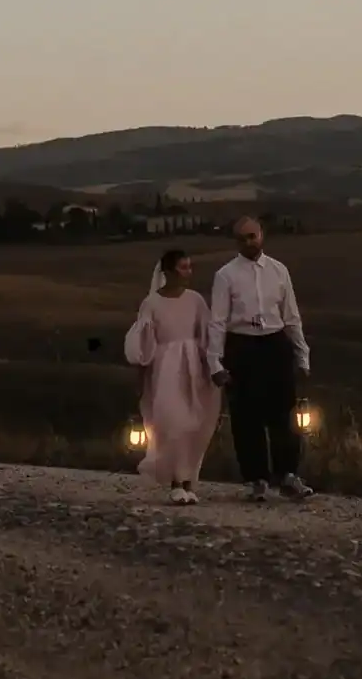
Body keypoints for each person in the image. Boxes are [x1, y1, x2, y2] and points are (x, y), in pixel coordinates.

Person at [207, 216, 313, 502]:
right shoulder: (225, 275)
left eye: (252, 236)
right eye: (242, 238)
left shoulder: (279, 271)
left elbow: (291, 316)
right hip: (242, 347)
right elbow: (217, 321)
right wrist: (214, 362)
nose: (248, 242)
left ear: (262, 235)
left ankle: (288, 475)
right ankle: (257, 479)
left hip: (275, 344)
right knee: (246, 417)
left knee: (284, 414)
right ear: (235, 241)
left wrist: (302, 355)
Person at [124, 247, 221, 505]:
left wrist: (213, 367)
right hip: (165, 370)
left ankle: (188, 481)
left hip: (193, 369)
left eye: (190, 267)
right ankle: (176, 482)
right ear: (167, 271)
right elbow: (145, 343)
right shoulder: (152, 303)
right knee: (172, 422)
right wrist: (140, 377)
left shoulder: (196, 301)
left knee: (193, 424)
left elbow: (206, 336)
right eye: (183, 267)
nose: (188, 272)